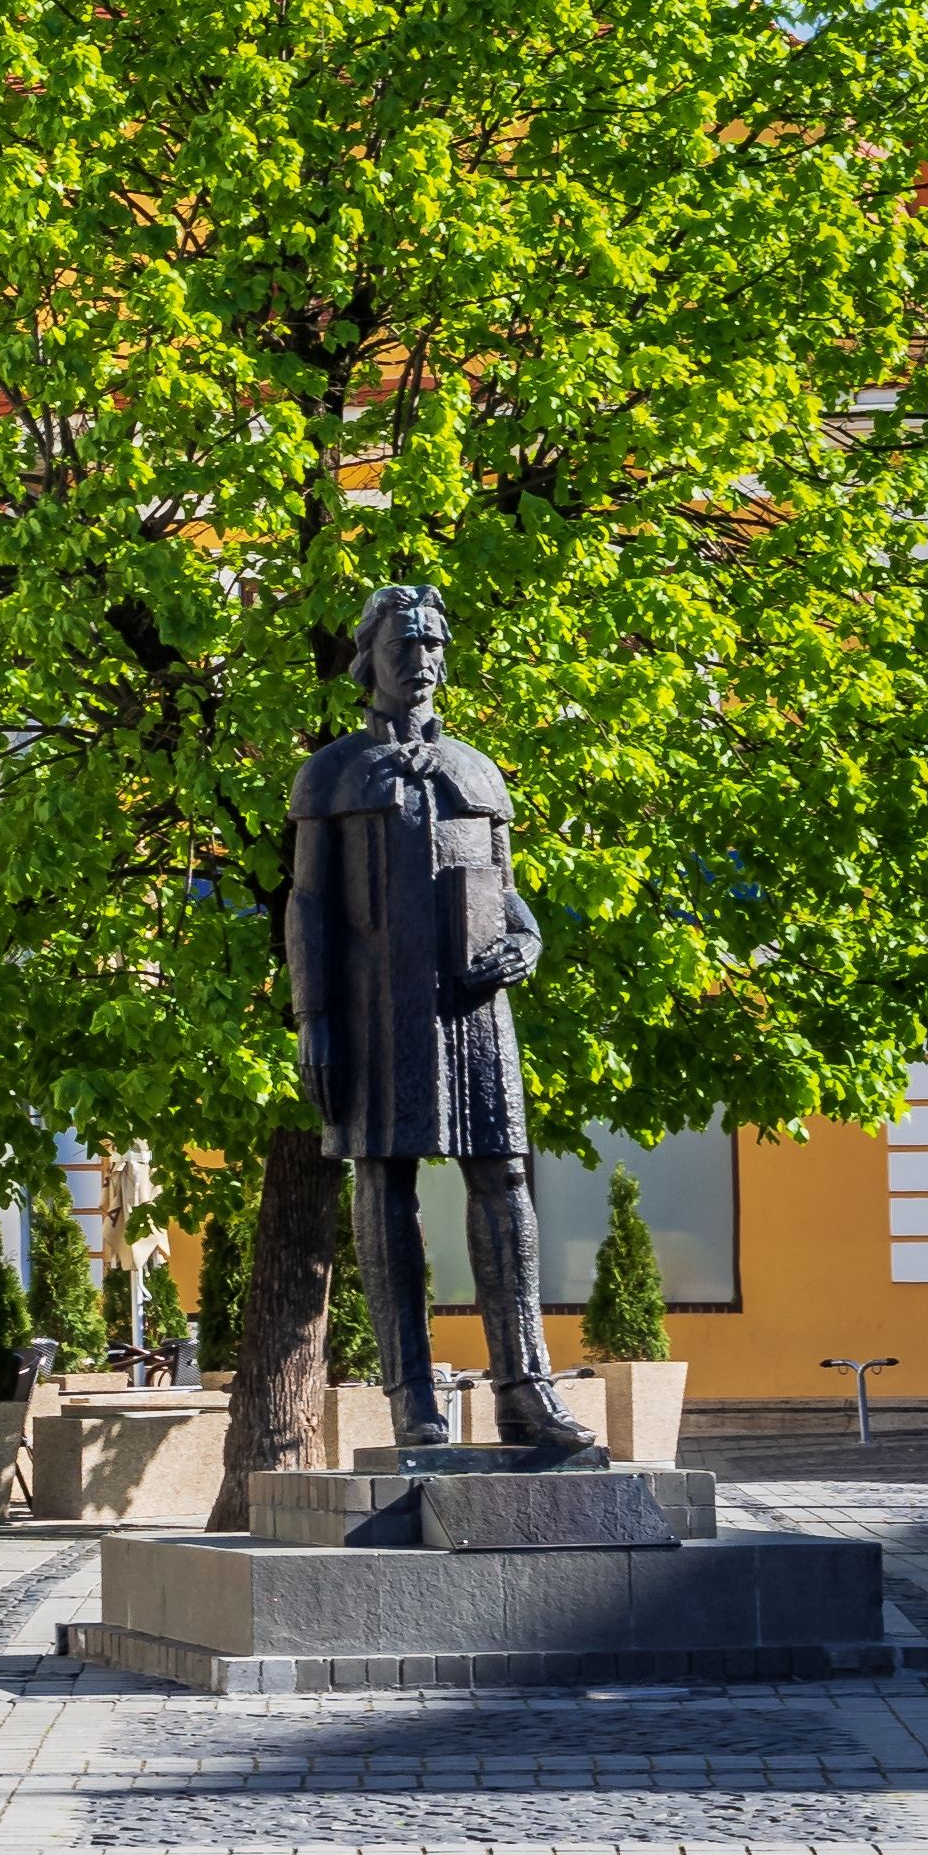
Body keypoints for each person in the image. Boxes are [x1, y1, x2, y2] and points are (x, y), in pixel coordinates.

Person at [287, 580, 593, 1456]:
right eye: (403, 645)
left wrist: (526, 945)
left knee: (502, 1178)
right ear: (368, 660)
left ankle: (525, 1390)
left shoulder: (478, 771)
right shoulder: (334, 772)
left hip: (473, 1013)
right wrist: (315, 1017)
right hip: (375, 1010)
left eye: (431, 646)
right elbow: (307, 906)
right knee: (384, 1180)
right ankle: (412, 1397)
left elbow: (506, 891)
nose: (420, 660)